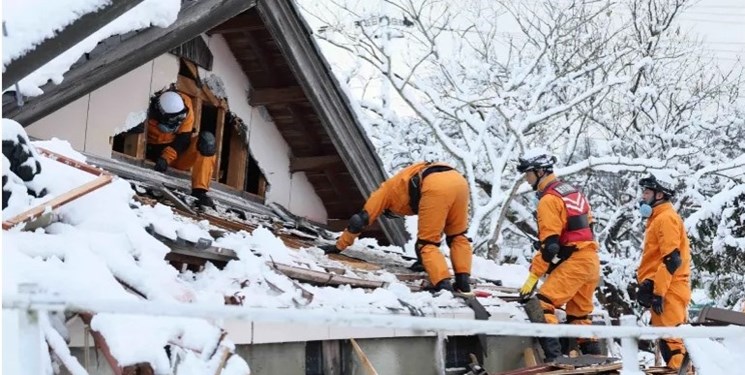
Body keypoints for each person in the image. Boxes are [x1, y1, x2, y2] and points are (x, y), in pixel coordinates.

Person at [320, 161, 473, 293]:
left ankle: (443, 285)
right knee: (458, 236)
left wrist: (339, 246)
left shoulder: (384, 192)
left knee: (427, 243)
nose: (398, 215)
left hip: (434, 184)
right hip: (458, 181)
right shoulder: (401, 183)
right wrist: (422, 263)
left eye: (392, 215)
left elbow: (359, 220)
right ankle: (463, 282)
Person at [516, 150, 601, 361]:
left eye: (528, 174)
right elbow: (583, 229)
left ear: (539, 171)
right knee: (579, 315)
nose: (526, 180)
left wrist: (533, 277)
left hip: (576, 263)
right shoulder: (572, 192)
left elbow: (550, 247)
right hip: (590, 260)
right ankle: (595, 362)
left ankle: (555, 359)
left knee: (542, 304)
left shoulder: (548, 200)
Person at [635, 174, 691, 370]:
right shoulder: (658, 218)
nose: (643, 197)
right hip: (664, 288)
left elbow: (672, 259)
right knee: (668, 343)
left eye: (647, 192)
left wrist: (658, 292)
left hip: (669, 290)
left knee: (673, 344)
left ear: (659, 194)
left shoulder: (666, 219)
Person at [143, 90, 217, 208]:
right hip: (149, 152)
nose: (177, 122)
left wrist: (166, 157)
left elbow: (183, 139)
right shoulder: (144, 108)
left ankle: (200, 191)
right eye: (172, 120)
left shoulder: (186, 105)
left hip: (176, 154)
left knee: (207, 141)